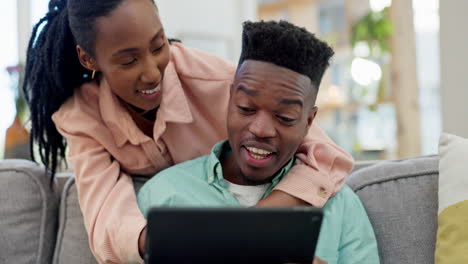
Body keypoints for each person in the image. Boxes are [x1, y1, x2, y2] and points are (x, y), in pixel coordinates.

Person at [22, 0, 354, 263]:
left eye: (158, 46)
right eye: (128, 61)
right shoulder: (82, 117)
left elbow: (329, 157)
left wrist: (257, 224)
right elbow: (105, 216)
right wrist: (164, 243)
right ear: (88, 59)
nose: (152, 73)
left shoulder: (215, 80)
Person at [137, 20, 379, 264]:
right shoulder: (164, 194)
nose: (261, 130)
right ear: (230, 99)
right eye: (245, 108)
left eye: (285, 117)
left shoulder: (341, 206)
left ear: (308, 122)